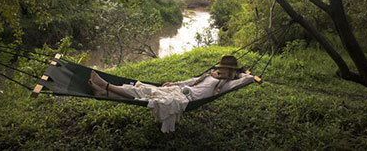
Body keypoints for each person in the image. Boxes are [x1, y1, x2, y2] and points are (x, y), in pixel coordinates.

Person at [87, 55, 256, 133]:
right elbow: (190, 81)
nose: (222, 71)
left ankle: (106, 86)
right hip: (177, 91)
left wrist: (239, 74)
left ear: (232, 71)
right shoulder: (210, 75)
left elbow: (247, 79)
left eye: (227, 69)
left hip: (184, 99)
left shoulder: (227, 84)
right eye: (222, 68)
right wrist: (174, 84)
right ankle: (105, 91)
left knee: (149, 95)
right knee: (145, 89)